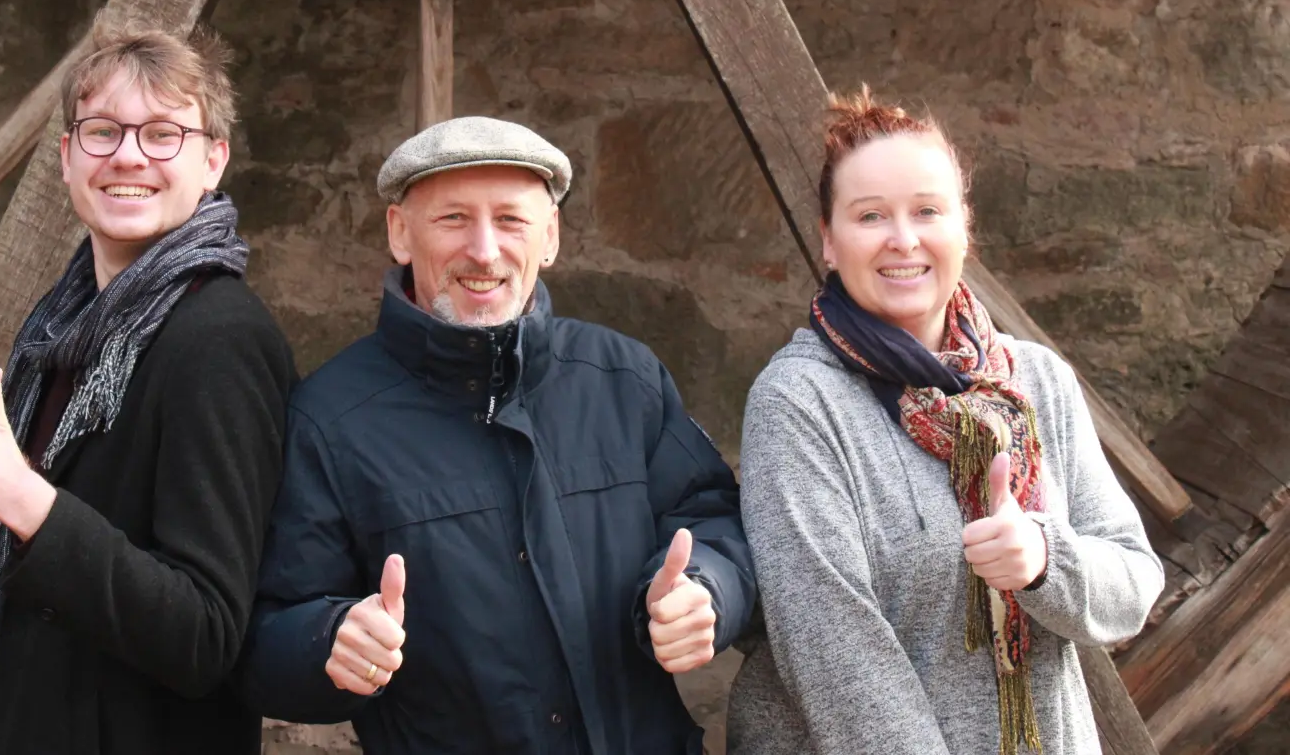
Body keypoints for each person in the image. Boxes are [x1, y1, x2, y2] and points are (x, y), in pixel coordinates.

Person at [240, 116, 755, 753]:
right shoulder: (328, 419)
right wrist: (330, 642)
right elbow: (266, 636)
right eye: (453, 219)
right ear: (400, 233)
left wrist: (707, 590)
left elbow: (712, 519)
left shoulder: (625, 378)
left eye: (510, 220)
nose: (484, 251)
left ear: (550, 237)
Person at [725, 88, 1163, 755]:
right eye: (870, 216)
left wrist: (1045, 558)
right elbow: (837, 659)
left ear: (964, 226)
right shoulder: (798, 402)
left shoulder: (1036, 379)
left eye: (927, 210)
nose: (904, 239)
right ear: (829, 242)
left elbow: (1132, 587)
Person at [0, 23, 297, 755]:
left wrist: (20, 499)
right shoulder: (63, 324)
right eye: (102, 132)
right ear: (66, 158)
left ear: (213, 159)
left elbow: (204, 633)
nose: (128, 155)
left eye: (163, 134)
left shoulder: (219, 339)